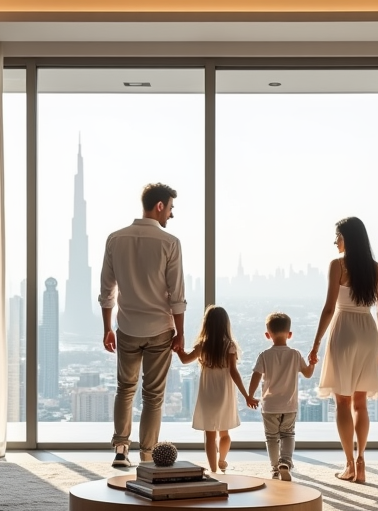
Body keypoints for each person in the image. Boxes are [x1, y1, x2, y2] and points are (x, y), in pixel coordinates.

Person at [99, 182, 186, 468]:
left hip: (127, 327)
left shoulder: (115, 239)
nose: (171, 215)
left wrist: (107, 328)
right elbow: (177, 295)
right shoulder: (170, 243)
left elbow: (107, 291)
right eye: (171, 208)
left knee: (125, 389)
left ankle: (121, 449)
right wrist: (181, 333)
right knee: (153, 395)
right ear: (159, 206)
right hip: (160, 329)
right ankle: (147, 455)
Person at [309, 216, 378, 484]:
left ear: (348, 238)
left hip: (344, 330)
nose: (335, 241)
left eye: (338, 236)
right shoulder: (377, 269)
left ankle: (349, 465)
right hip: (368, 332)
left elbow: (330, 308)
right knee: (360, 402)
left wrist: (316, 342)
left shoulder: (338, 266)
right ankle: (363, 459)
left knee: (342, 400)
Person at [178, 305, 257, 473]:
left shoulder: (202, 346)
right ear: (225, 324)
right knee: (224, 432)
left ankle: (213, 469)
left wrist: (178, 349)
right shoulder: (230, 345)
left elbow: (185, 360)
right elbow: (234, 373)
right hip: (224, 393)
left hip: (207, 392)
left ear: (206, 324)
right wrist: (246, 395)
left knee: (209, 434)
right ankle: (222, 460)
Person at [248, 312, 315, 481]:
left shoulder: (264, 355)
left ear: (267, 335)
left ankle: (274, 469)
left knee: (271, 437)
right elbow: (307, 374)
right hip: (289, 405)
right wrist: (312, 363)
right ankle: (285, 461)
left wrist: (250, 395)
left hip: (270, 406)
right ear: (290, 334)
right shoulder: (295, 354)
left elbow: (256, 376)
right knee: (288, 434)